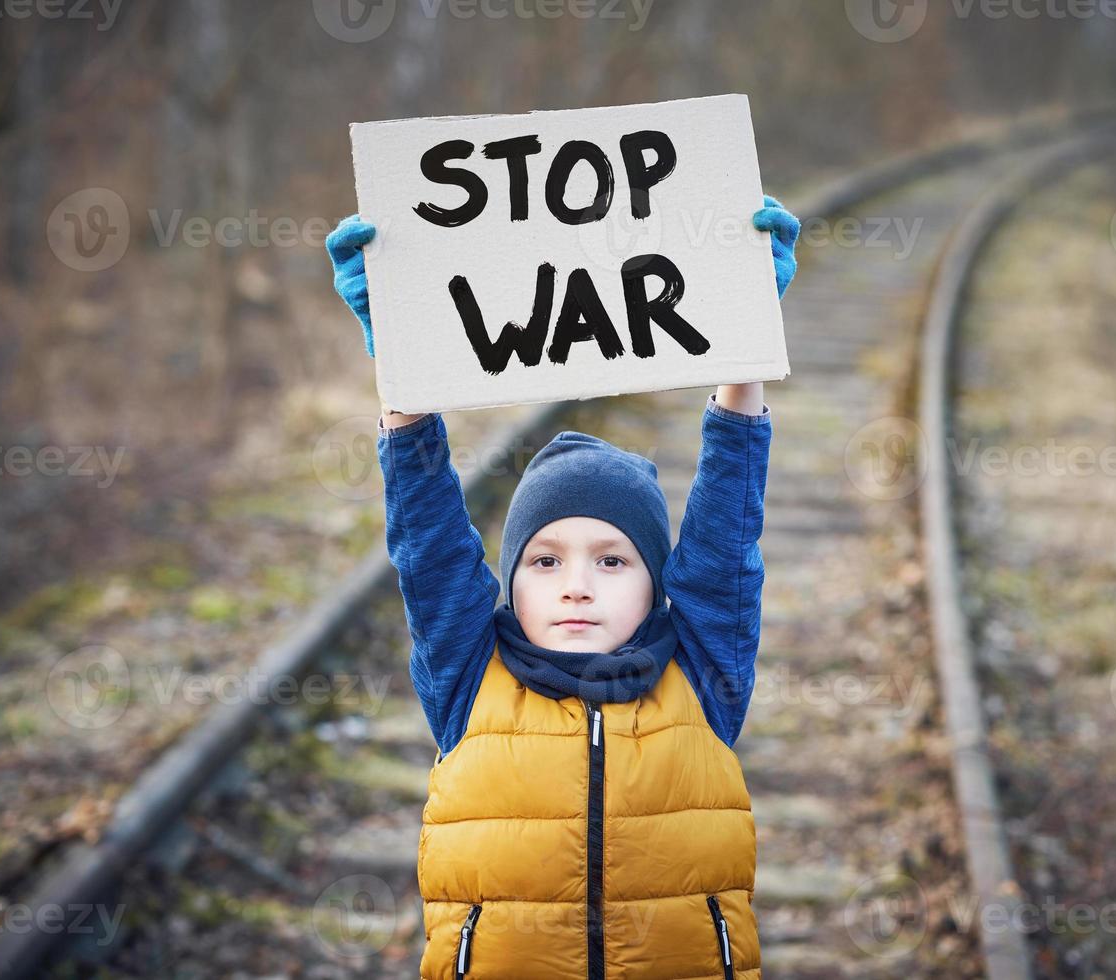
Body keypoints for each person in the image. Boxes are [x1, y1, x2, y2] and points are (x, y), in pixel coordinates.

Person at [325, 194, 799, 979]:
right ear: (511, 582)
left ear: (660, 585)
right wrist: (402, 371)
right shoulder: (469, 674)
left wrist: (744, 355)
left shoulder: (703, 672)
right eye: (545, 561)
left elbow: (725, 537)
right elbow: (429, 543)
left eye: (612, 560)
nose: (577, 585)